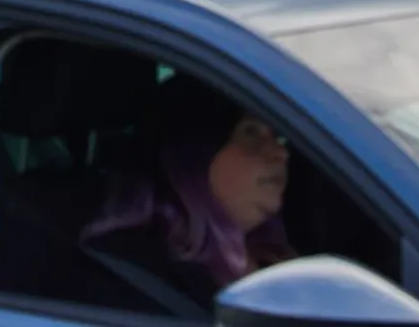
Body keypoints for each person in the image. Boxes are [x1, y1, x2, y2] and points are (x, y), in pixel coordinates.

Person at [78, 74, 292, 313]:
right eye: (250, 133)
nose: (280, 152)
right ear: (193, 155)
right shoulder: (131, 275)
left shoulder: (273, 256)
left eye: (277, 136)